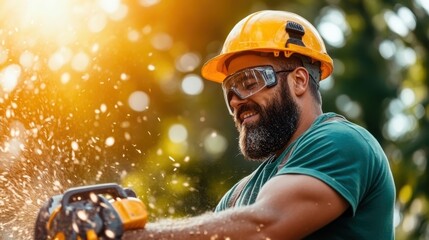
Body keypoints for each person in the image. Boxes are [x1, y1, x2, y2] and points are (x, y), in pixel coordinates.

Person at [43, 10, 395, 239]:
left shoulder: (341, 142)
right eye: (230, 89)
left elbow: (264, 226)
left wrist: (125, 233)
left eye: (251, 80)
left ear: (300, 81)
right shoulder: (240, 194)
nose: (237, 100)